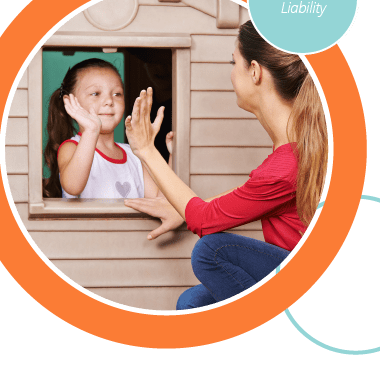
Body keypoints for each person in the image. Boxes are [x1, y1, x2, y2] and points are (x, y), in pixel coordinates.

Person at [124, 21, 328, 310]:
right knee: (192, 303)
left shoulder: (285, 165)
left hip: (309, 282)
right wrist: (183, 209)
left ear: (255, 71)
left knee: (212, 251)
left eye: (234, 62)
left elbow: (205, 220)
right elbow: (253, 194)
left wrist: (146, 149)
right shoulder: (294, 152)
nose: (231, 74)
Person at [43, 58, 172, 199]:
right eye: (95, 94)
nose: (109, 101)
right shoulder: (71, 147)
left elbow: (159, 201)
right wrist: (91, 130)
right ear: (70, 102)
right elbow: (73, 187)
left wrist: (172, 155)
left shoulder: (134, 154)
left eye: (117, 94)